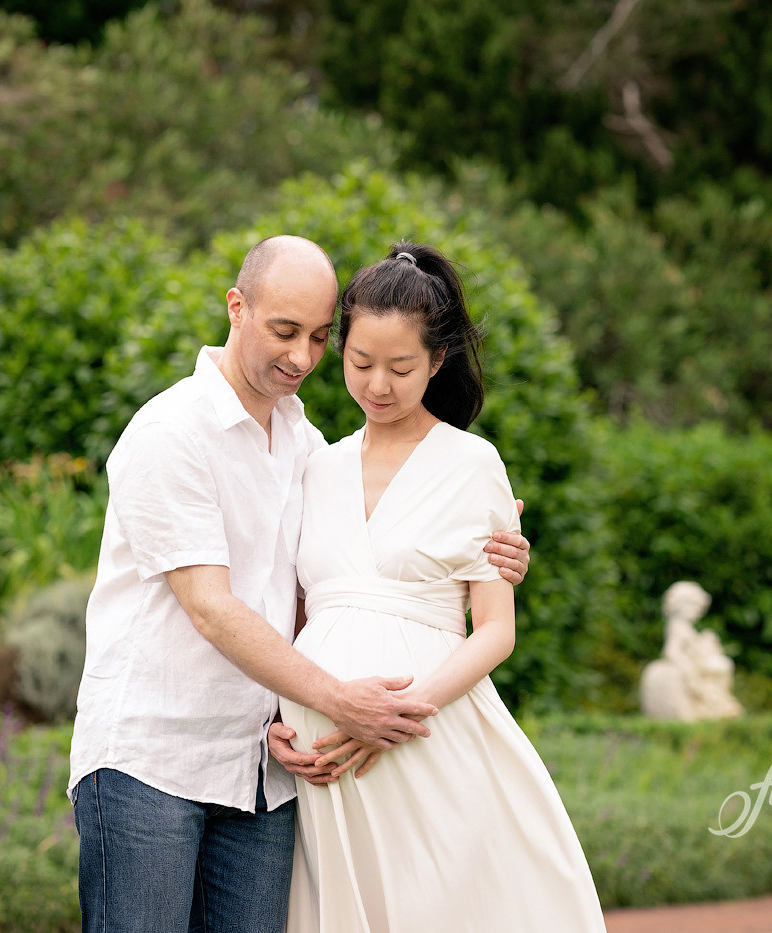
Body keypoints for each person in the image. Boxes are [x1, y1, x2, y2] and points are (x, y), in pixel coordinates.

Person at [66, 235, 532, 933]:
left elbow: (332, 590)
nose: (303, 357)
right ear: (236, 308)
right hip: (153, 763)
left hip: (265, 772)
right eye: (285, 331)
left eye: (318, 337)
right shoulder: (171, 432)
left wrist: (490, 542)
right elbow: (211, 608)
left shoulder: (307, 448)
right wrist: (338, 701)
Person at [279, 242, 605, 931]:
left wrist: (397, 714)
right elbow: (292, 616)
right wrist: (277, 720)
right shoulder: (316, 467)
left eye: (401, 368)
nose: (378, 385)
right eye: (360, 363)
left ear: (437, 361)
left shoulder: (472, 464)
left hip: (423, 737)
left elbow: (496, 630)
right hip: (325, 761)